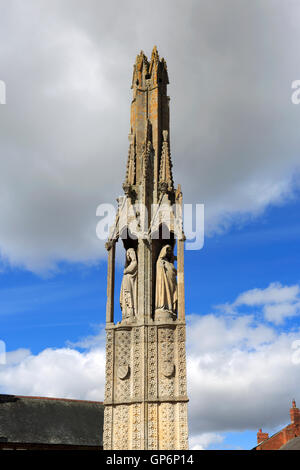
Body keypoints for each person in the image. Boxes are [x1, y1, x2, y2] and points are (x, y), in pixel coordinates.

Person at [155, 244, 177, 316]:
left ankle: (170, 308)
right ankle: (163, 306)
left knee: (172, 294)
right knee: (164, 292)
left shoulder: (169, 263)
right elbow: (159, 274)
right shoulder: (161, 261)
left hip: (171, 282)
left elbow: (174, 272)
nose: (169, 253)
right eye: (168, 251)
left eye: (170, 251)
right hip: (163, 282)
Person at [120, 248, 138, 321]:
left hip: (130, 283)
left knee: (129, 297)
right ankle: (126, 314)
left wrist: (126, 271)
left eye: (130, 254)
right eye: (128, 254)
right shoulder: (130, 264)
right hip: (126, 282)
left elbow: (128, 270)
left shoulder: (134, 263)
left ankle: (130, 313)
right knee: (126, 298)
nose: (129, 256)